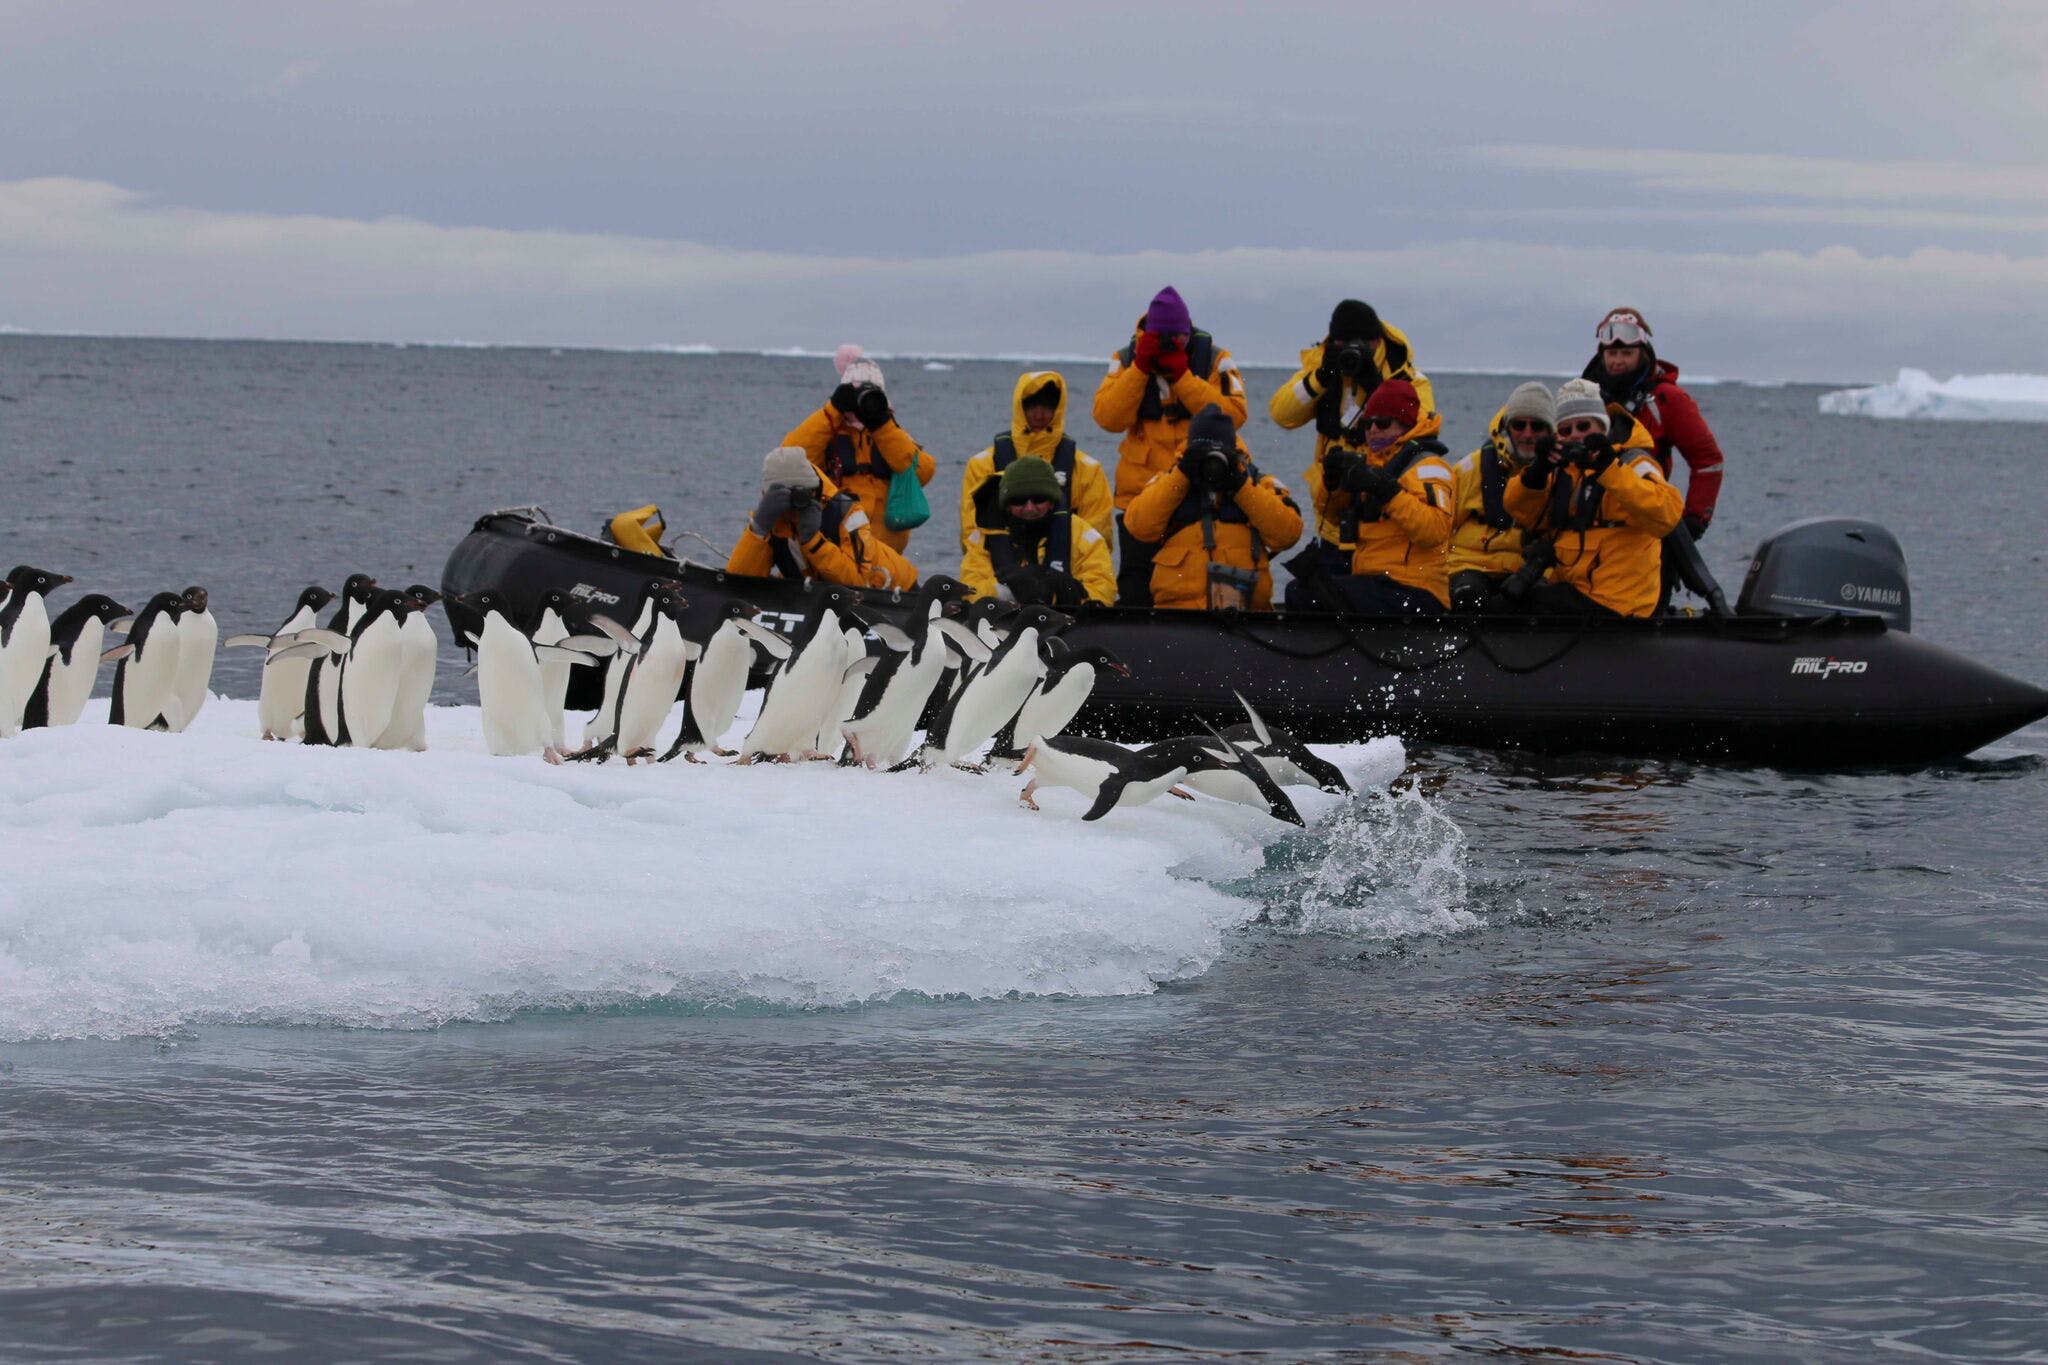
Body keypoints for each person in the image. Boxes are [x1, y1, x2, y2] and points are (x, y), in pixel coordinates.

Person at [1092, 286, 1249, 607]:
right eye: (1166, 337)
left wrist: (1182, 376)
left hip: (1198, 495)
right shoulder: (1126, 360)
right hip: (1140, 502)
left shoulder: (1215, 360)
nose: (1173, 343)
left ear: (1188, 331)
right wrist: (1139, 368)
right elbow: (1108, 418)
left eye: (1179, 337)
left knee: (1192, 584)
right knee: (1137, 587)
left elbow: (1233, 417)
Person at [1270, 300, 1438, 591]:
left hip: (1382, 522)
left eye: (1361, 344)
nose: (1352, 351)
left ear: (1377, 341)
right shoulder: (1325, 366)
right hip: (1334, 517)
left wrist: (1377, 386)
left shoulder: (1404, 376)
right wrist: (1321, 376)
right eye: (1343, 343)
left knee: (1359, 597)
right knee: (1320, 595)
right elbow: (1282, 415)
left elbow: (1422, 428)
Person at [1504, 378, 1681, 618]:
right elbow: (1520, 512)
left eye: (1584, 426)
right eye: (1566, 430)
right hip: (1574, 586)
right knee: (1503, 600)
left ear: (1603, 427)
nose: (1575, 436)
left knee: (1525, 607)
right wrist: (1537, 472)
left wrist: (1609, 469)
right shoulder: (1566, 470)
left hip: (1618, 598)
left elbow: (1666, 515)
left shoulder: (1634, 463)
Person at [1122, 404, 1302, 612]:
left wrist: (1240, 485)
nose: (1212, 464)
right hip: (1178, 610)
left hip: (1246, 611)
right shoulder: (1170, 481)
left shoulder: (1259, 484)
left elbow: (1288, 535)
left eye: (1218, 455)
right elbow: (1138, 526)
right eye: (1204, 454)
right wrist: (1183, 473)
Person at [1307, 380, 1452, 615]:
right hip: (1373, 580)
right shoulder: (1369, 464)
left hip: (1415, 588)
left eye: (1383, 423)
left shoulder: (1429, 466)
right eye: (1367, 424)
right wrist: (1332, 484)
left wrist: (1385, 490)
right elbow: (1331, 518)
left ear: (1405, 425)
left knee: (1308, 594)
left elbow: (1434, 530)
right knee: (1306, 588)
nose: (1373, 430)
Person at [781, 345, 937, 556]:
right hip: (837, 545)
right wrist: (832, 410)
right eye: (853, 394)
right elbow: (789, 459)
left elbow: (922, 473)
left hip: (884, 551)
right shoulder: (828, 431)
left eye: (869, 396)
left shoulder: (892, 433)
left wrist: (882, 425)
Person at [1581, 308, 1723, 540]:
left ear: (1642, 353)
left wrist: (1694, 520)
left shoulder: (1665, 399)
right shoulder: (1584, 396)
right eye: (1612, 353)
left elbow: (1707, 459)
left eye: (1626, 353)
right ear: (1601, 354)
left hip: (1643, 529)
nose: (1618, 361)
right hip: (1585, 528)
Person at [957, 371, 1113, 553]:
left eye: (1047, 407)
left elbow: (1098, 536)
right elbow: (971, 533)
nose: (1039, 415)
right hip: (999, 569)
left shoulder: (1087, 470)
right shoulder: (982, 466)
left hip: (1065, 570)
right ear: (1019, 408)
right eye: (1031, 407)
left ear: (1059, 409)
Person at [727, 446, 916, 590]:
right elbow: (737, 583)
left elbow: (858, 584)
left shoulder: (846, 513)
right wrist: (758, 528)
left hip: (895, 590)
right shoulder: (770, 521)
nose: (793, 506)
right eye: (783, 496)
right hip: (820, 592)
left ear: (814, 490)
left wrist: (814, 543)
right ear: (766, 495)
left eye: (801, 494)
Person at [1446, 382, 1552, 611]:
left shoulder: (1562, 472)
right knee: (1468, 598)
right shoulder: (1472, 468)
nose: (1527, 434)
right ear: (1507, 426)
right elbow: (1442, 525)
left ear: (1551, 431)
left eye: (1537, 427)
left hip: (1531, 570)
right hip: (1471, 564)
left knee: (1540, 604)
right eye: (1519, 425)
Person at [959, 456, 1115, 607]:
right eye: (1019, 500)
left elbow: (1105, 592)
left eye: (1038, 499)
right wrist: (1008, 589)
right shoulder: (983, 538)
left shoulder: (1083, 536)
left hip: (1067, 624)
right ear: (1006, 505)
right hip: (1002, 623)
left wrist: (1061, 590)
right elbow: (969, 591)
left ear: (1052, 502)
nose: (1029, 508)